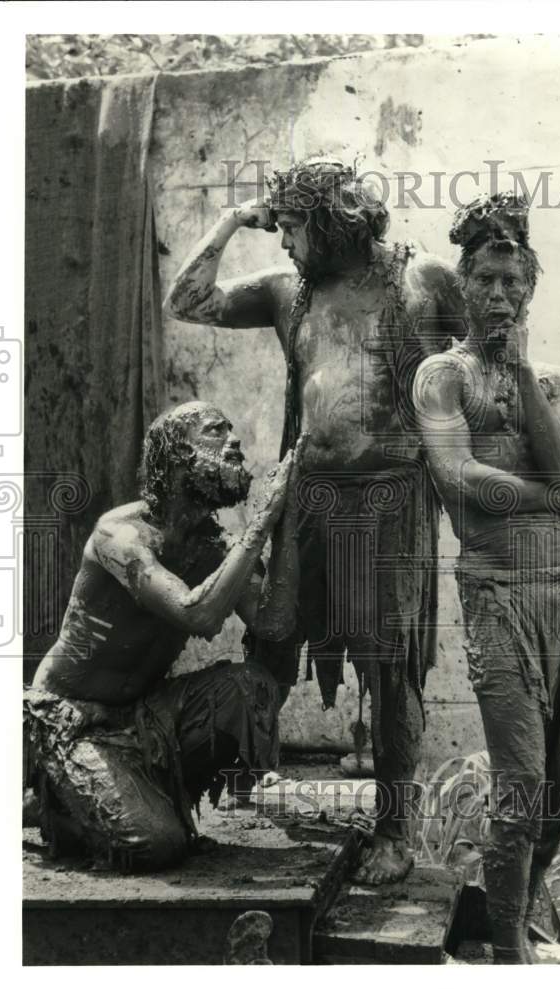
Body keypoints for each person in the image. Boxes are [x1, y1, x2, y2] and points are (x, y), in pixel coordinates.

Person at [163, 157, 463, 884]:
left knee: (390, 670)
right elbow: (188, 299)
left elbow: (467, 380)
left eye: (294, 226)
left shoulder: (419, 283)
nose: (284, 241)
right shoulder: (285, 290)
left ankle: (393, 832)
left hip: (391, 500)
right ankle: (241, 793)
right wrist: (237, 218)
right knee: (270, 636)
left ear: (331, 222)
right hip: (307, 496)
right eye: (279, 226)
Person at [413, 193, 560, 962]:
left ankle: (512, 926)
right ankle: (508, 958)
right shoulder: (442, 375)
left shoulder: (547, 379)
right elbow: (460, 479)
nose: (499, 296)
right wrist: (548, 497)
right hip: (496, 596)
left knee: (558, 791)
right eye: (486, 280)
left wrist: (522, 370)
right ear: (463, 284)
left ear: (530, 290)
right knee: (523, 784)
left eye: (513, 283)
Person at [24, 400, 300, 873]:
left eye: (232, 430)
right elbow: (197, 614)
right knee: (157, 845)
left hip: (141, 718)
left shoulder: (214, 547)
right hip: (71, 721)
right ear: (175, 458)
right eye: (216, 431)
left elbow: (272, 623)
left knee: (250, 687)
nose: (233, 441)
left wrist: (288, 522)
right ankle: (55, 802)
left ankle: (126, 795)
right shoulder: (120, 534)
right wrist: (260, 524)